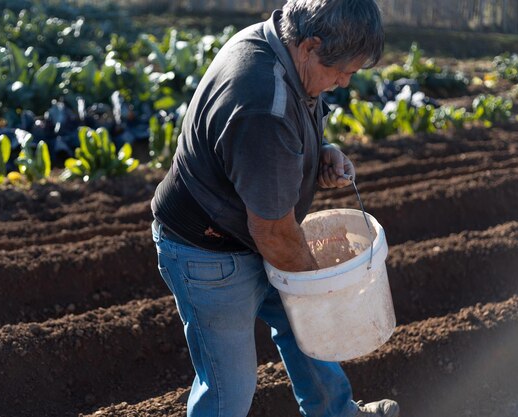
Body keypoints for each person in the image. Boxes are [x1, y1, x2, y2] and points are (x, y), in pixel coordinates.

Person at [150, 0, 399, 416]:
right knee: (227, 389)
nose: (342, 82)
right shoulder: (262, 100)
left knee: (308, 332)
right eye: (341, 71)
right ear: (310, 45)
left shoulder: (279, 47)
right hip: (209, 253)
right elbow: (274, 233)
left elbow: (270, 150)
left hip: (246, 229)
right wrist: (318, 292)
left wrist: (320, 151)